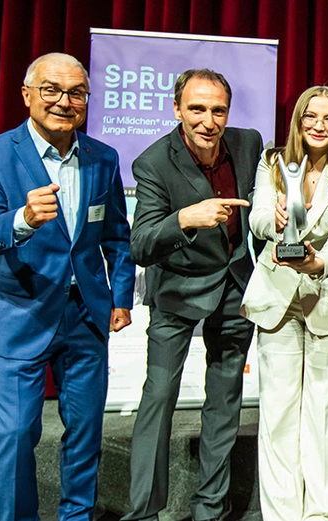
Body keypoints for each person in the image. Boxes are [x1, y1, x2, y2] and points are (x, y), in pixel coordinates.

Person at [0, 52, 135, 520]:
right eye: (51, 90)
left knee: (85, 431)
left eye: (76, 93)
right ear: (27, 96)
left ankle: (76, 516)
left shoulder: (103, 157)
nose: (64, 101)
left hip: (85, 316)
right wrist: (21, 219)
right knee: (16, 433)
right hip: (20, 314)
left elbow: (117, 234)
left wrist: (120, 297)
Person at [123, 69, 264, 521]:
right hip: (178, 291)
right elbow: (141, 244)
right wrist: (185, 218)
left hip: (233, 287)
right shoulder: (153, 163)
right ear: (177, 108)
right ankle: (145, 510)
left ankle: (210, 508)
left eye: (217, 109)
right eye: (197, 109)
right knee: (159, 397)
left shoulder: (249, 143)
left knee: (224, 401)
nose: (208, 120)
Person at [240, 86, 328, 521]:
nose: (319, 126)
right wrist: (273, 221)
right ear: (298, 120)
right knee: (278, 414)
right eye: (311, 117)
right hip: (277, 299)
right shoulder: (274, 162)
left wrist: (318, 262)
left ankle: (323, 515)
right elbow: (255, 216)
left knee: (327, 415)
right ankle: (283, 515)